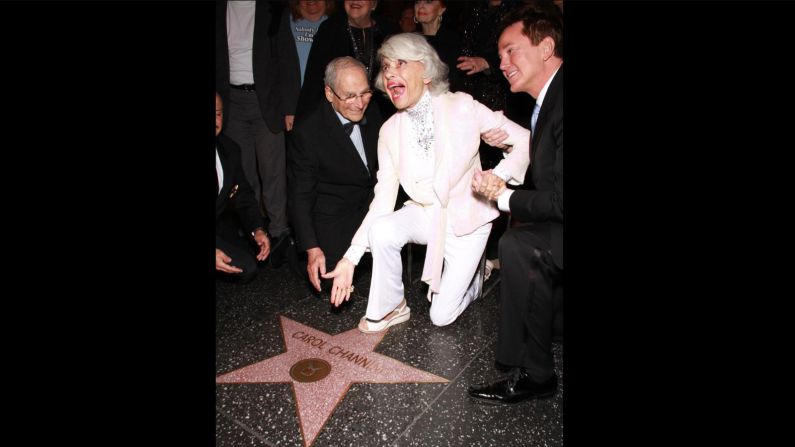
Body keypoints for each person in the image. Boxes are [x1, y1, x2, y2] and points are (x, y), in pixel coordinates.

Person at [322, 33, 530, 333]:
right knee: (383, 228)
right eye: (386, 67)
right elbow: (382, 201)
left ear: (427, 70)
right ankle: (392, 306)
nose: (390, 72)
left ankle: (473, 281)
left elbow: (525, 140)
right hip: (425, 213)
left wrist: (499, 175)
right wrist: (350, 259)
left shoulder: (462, 107)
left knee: (441, 316)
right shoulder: (390, 130)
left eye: (401, 63)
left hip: (465, 221)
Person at [467, 3, 564, 404]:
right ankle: (541, 348)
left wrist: (504, 197)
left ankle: (532, 371)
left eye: (511, 50)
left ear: (546, 47)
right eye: (499, 53)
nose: (502, 62)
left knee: (518, 245)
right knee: (522, 241)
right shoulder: (548, 98)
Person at [288, 57, 383, 292]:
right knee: (330, 278)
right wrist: (311, 248)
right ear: (329, 93)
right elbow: (300, 195)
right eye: (350, 96)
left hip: (374, 204)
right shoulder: (307, 133)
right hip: (335, 215)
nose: (360, 103)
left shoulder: (375, 111)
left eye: (365, 93)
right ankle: (292, 254)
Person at [216, 1, 294, 266]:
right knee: (243, 174)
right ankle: (254, 233)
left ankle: (279, 233)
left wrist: (289, 107)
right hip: (229, 100)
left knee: (273, 171)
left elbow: (286, 57)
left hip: (267, 101)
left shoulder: (273, 8)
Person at [295, 0, 399, 120]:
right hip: (338, 117)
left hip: (384, 117)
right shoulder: (329, 30)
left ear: (373, 4)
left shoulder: (390, 32)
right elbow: (313, 81)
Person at [216, 93, 271, 282]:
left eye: (218, 114)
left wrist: (258, 229)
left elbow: (243, 196)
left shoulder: (229, 149)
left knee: (246, 266)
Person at [277, 0, 335, 133]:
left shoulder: (336, 23)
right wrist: (289, 109)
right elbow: (279, 69)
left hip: (326, 105)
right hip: (294, 106)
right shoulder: (283, 20)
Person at [414, 0, 462, 93]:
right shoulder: (411, 41)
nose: (421, 6)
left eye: (428, 2)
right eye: (417, 2)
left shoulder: (454, 41)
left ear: (441, 9)